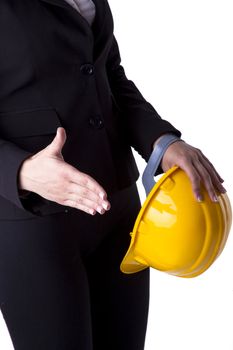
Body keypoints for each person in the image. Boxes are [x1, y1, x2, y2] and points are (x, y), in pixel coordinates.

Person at [0, 0, 226, 349]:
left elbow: (107, 75)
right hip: (36, 225)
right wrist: (22, 172)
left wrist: (161, 141)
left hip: (121, 215)